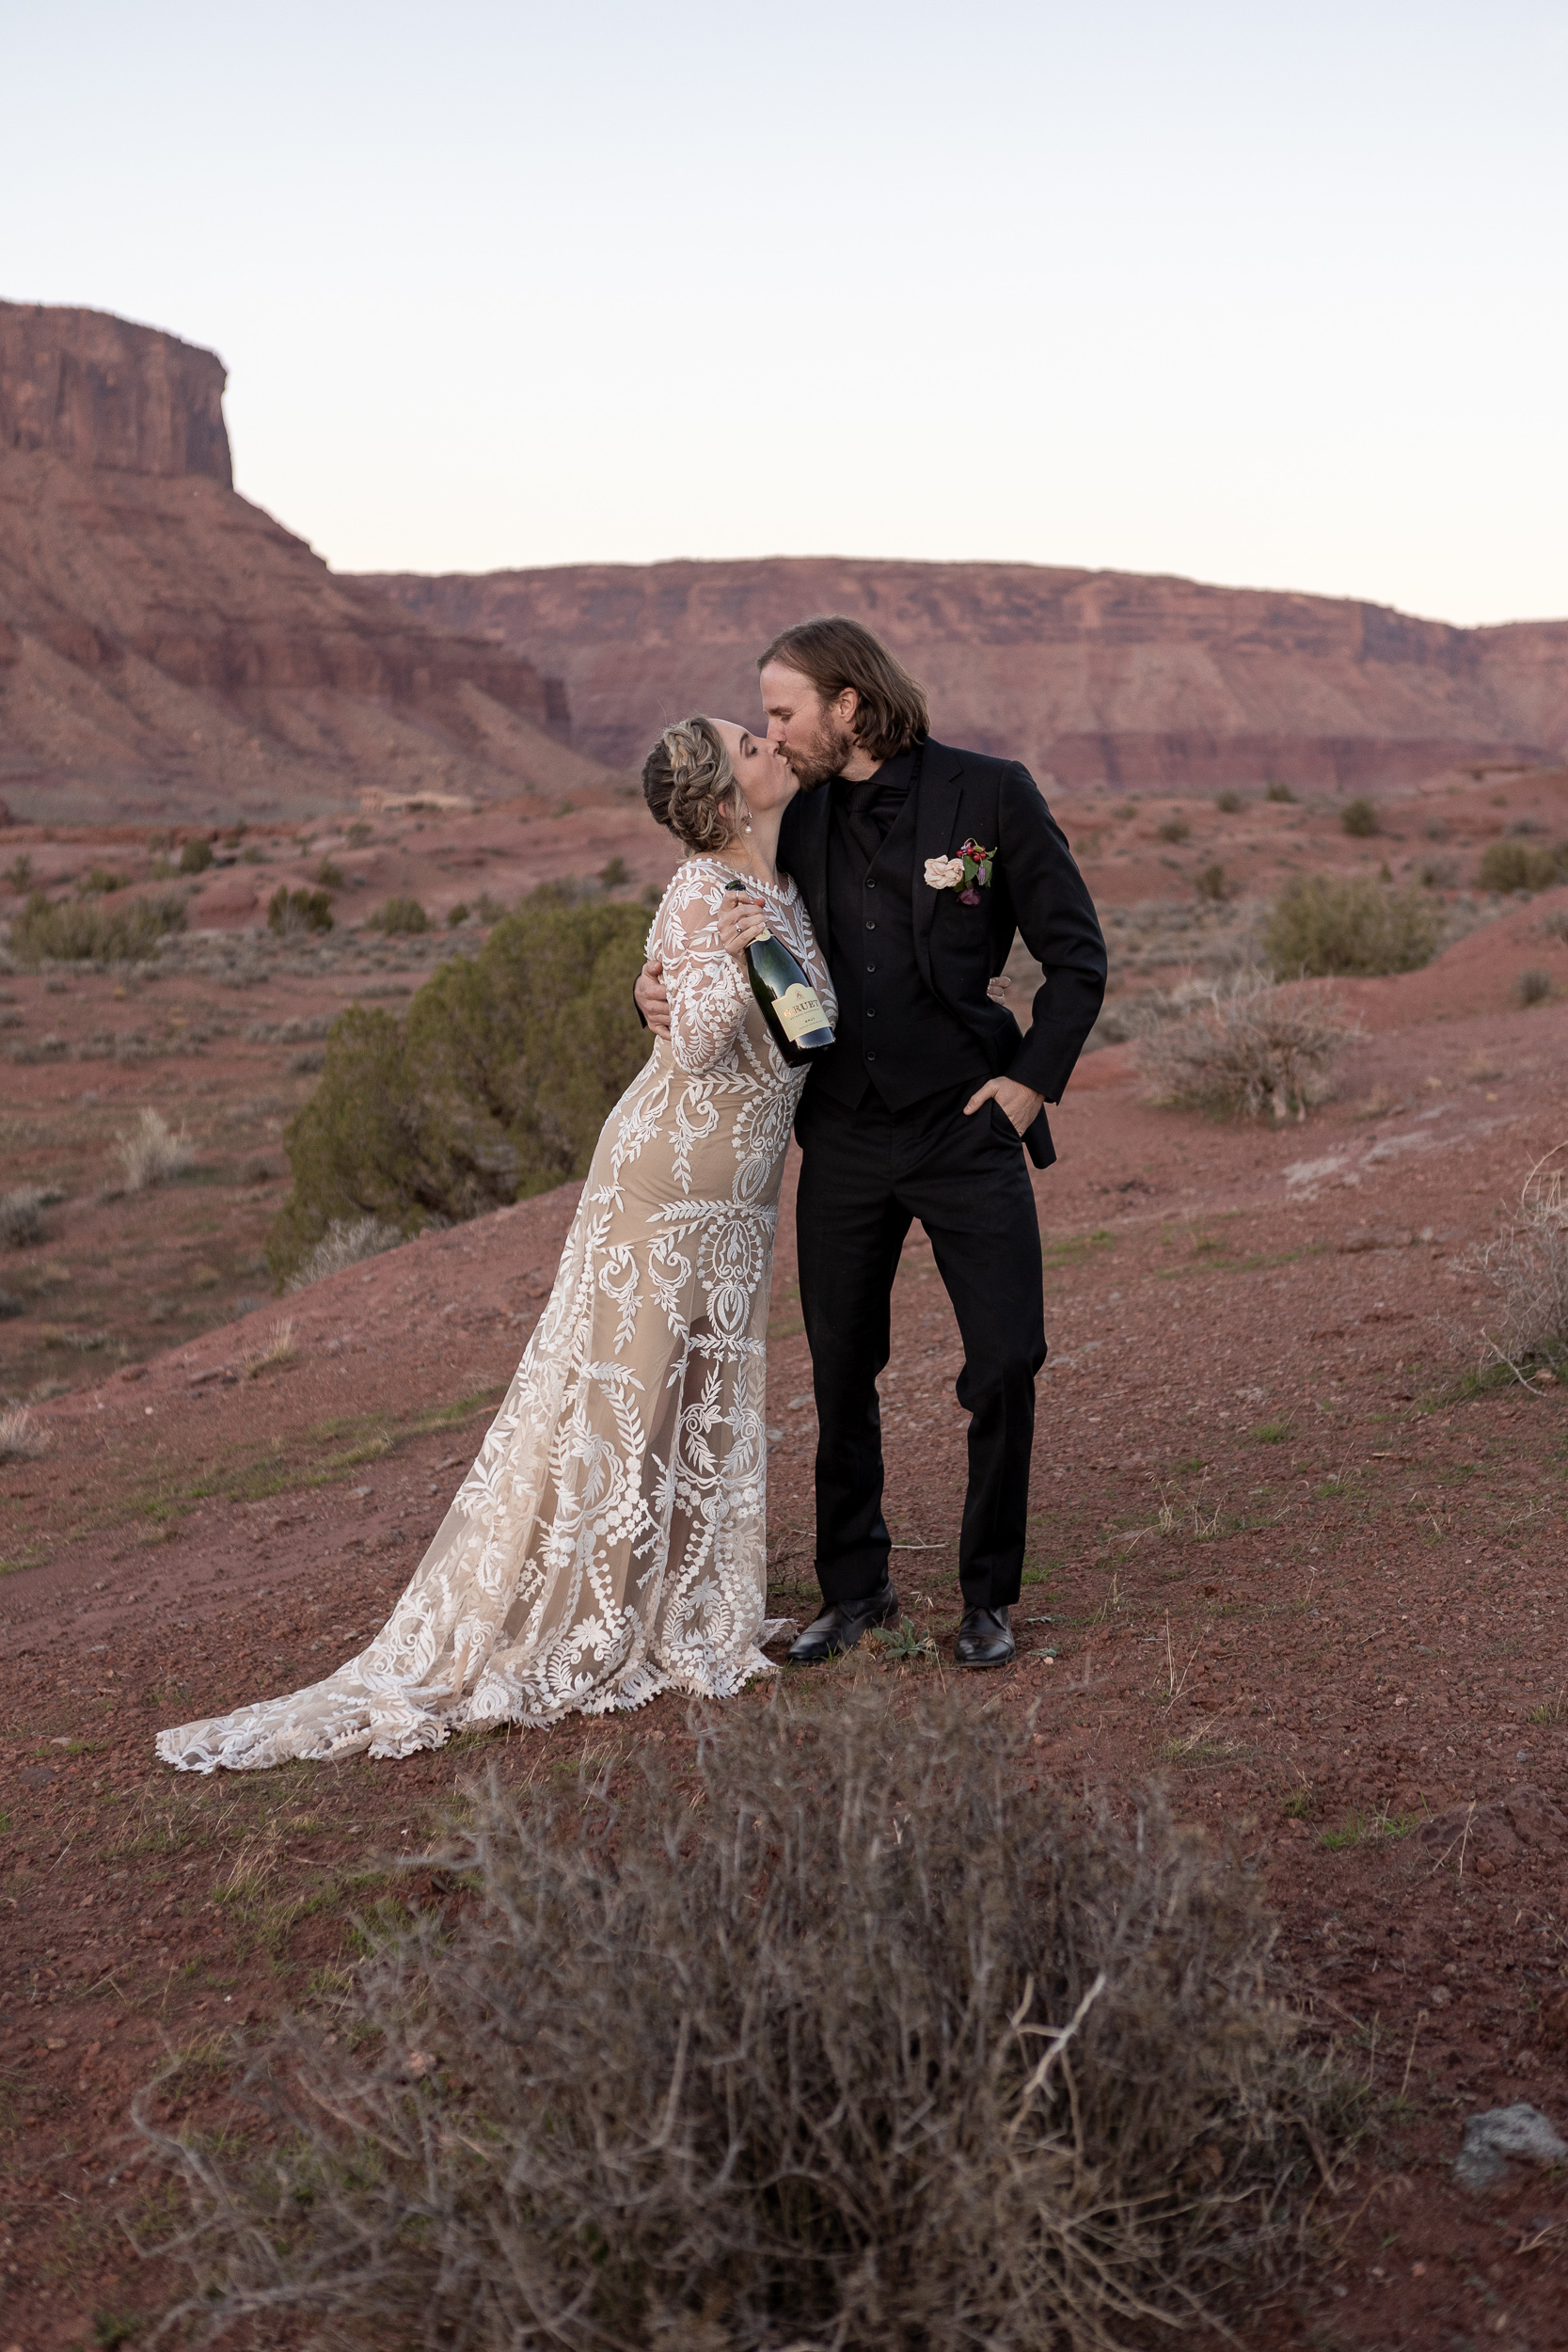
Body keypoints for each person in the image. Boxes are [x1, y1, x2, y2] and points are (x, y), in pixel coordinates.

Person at [157, 717, 819, 1772]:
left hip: (733, 1198)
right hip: (665, 1184)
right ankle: (598, 1615)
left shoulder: (775, 885)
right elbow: (690, 1041)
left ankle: (685, 1598)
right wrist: (726, 967)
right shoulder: (706, 893)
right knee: (628, 1393)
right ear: (722, 795)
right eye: (749, 743)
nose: (769, 743)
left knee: (699, 1390)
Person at [636, 617, 1105, 1669]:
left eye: (781, 713)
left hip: (965, 1125)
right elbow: (709, 921)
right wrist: (652, 991)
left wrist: (1029, 1086)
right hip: (840, 1135)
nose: (772, 733)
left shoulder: (990, 794)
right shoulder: (788, 821)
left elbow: (1077, 958)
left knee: (1005, 1357)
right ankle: (855, 1592)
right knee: (842, 1367)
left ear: (847, 704)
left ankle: (988, 1595)